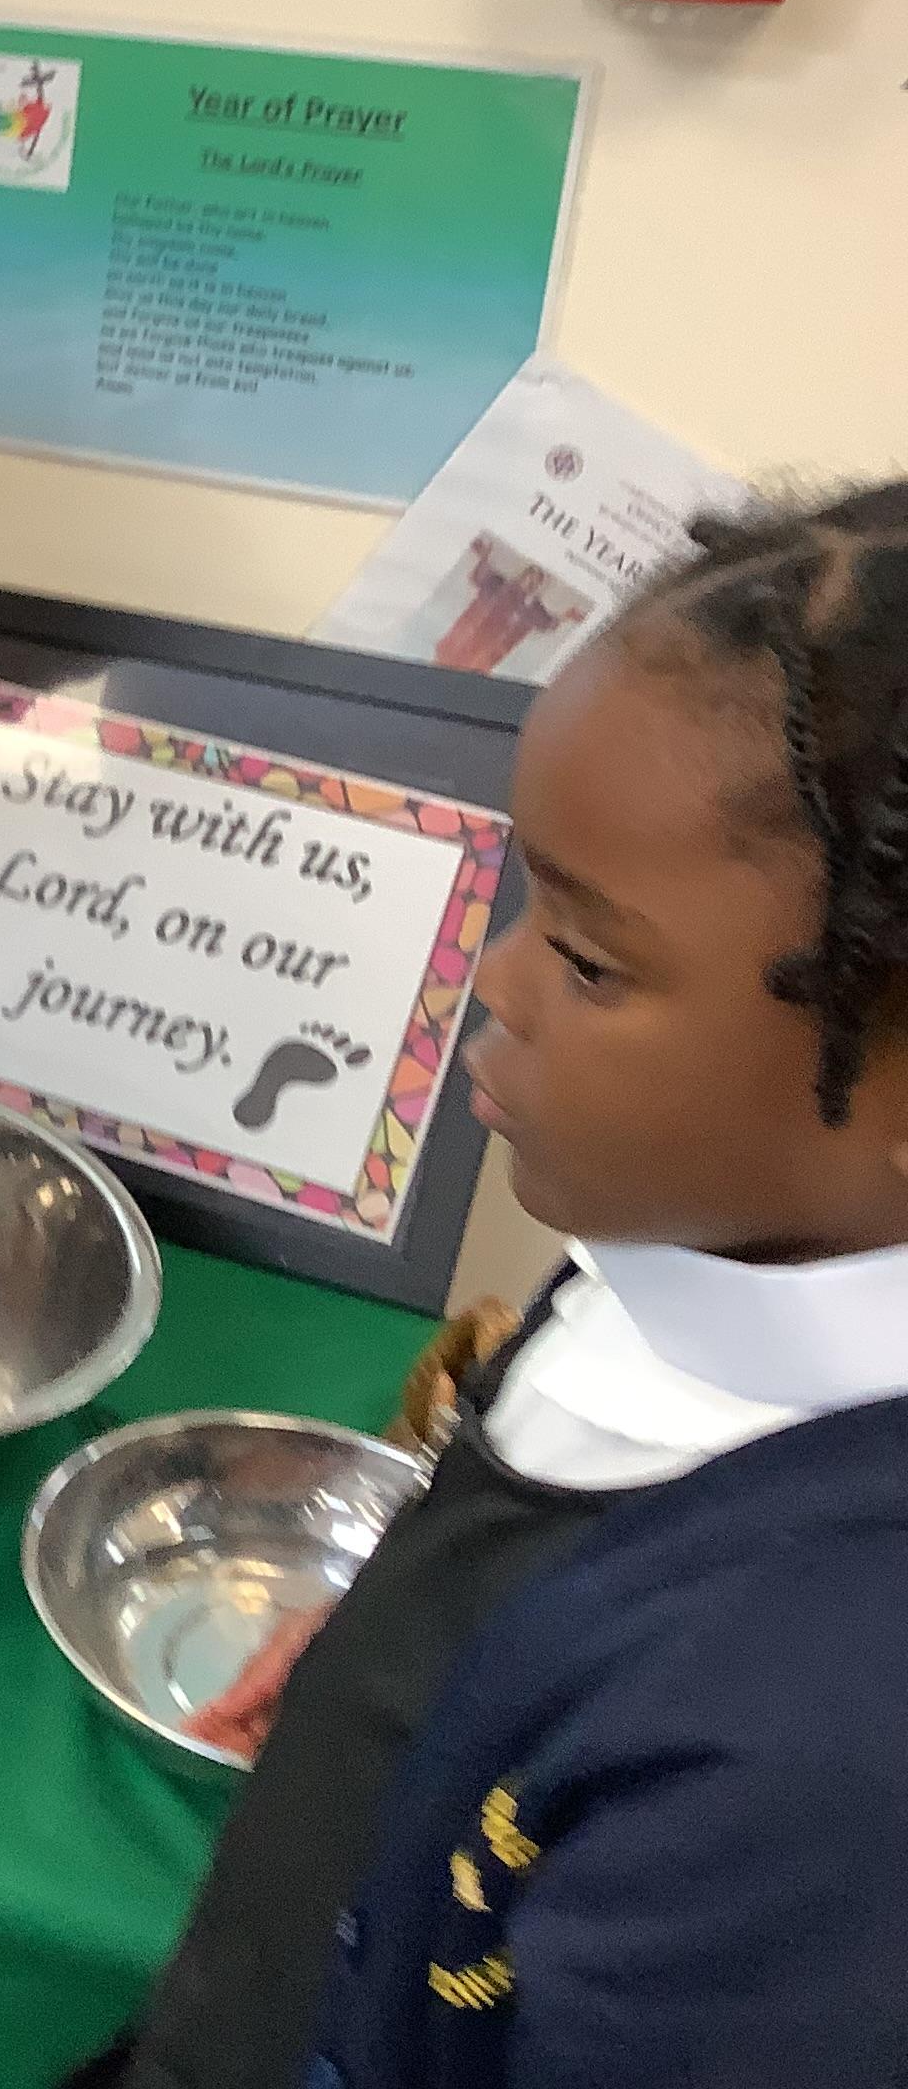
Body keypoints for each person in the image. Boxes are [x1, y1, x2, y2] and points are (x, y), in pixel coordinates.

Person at [84, 479, 908, 2089]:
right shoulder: (692, 1240)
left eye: (591, 961)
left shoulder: (817, 1769)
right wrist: (396, 1651)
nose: (496, 981)